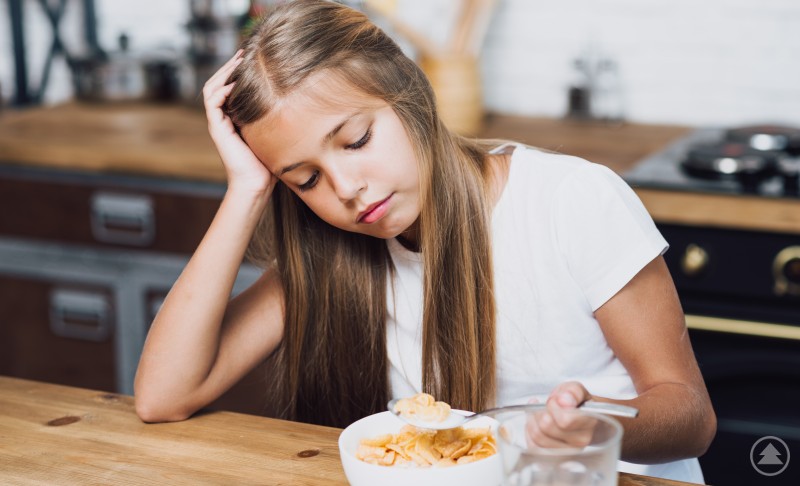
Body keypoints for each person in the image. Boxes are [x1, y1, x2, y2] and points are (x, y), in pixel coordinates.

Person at [134, 1, 715, 482]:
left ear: (410, 94)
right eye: (305, 179)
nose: (346, 189)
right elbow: (163, 395)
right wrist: (246, 189)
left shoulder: (570, 200)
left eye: (356, 140)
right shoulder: (326, 253)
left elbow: (690, 415)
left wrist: (596, 429)